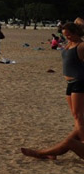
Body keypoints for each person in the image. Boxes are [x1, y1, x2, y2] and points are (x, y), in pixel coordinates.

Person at [21, 22, 84, 160]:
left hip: (80, 82)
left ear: (75, 33)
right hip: (70, 83)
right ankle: (48, 153)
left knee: (78, 117)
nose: (67, 37)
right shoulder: (69, 44)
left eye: (69, 34)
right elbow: (77, 21)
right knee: (77, 118)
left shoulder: (81, 46)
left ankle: (42, 154)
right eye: (65, 34)